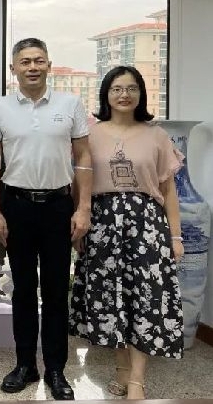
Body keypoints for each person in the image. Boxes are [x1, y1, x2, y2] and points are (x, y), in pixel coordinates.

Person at [69, 65, 184, 400]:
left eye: (131, 88)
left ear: (141, 94)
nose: (124, 94)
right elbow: (79, 185)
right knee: (110, 299)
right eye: (117, 88)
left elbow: (169, 190)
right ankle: (121, 368)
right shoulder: (90, 135)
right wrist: (79, 228)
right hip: (101, 225)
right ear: (106, 94)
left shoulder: (156, 136)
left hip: (147, 226)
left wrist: (175, 237)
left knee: (145, 298)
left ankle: (136, 378)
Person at [0, 37, 92, 401]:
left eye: (38, 60)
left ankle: (57, 370)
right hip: (16, 206)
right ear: (13, 68)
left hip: (59, 206)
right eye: (25, 61)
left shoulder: (70, 104)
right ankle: (25, 365)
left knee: (56, 291)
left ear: (48, 64)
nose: (32, 67)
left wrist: (82, 208)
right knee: (23, 291)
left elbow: (83, 158)